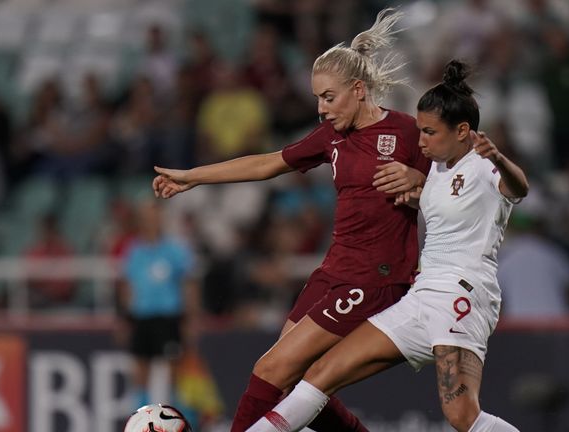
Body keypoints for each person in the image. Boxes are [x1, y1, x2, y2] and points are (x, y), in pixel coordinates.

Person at [152, 9, 429, 431]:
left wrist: (420, 181)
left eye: (328, 97)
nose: (320, 108)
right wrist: (193, 177)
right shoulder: (332, 136)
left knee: (271, 368)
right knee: (289, 382)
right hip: (334, 270)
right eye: (317, 97)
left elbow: (463, 186)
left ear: (358, 90)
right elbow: (267, 163)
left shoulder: (408, 132)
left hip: (374, 276)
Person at [247, 59, 528, 432]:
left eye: (429, 132)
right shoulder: (437, 170)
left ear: (462, 131)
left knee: (462, 416)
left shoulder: (481, 164)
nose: (420, 140)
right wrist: (413, 187)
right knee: (319, 374)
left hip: (462, 294)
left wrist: (500, 159)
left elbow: (518, 188)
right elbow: (431, 202)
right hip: (422, 293)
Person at [120, 200, 200, 413]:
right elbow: (127, 286)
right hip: (142, 317)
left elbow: (188, 285)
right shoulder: (134, 250)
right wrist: (125, 320)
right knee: (140, 372)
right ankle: (141, 417)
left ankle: (175, 417)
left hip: (168, 317)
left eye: (155, 216)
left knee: (174, 371)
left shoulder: (175, 250)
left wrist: (190, 320)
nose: (151, 221)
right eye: (147, 216)